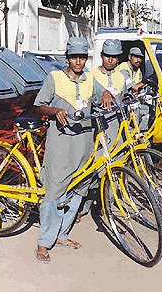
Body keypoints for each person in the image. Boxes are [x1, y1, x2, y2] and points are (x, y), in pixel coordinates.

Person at [33, 37, 114, 264]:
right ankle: (43, 242)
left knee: (79, 189)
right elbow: (39, 105)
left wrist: (106, 93)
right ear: (67, 58)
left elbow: (101, 95)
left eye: (82, 57)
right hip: (61, 144)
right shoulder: (55, 78)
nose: (78, 62)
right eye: (74, 57)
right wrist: (55, 110)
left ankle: (61, 234)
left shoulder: (89, 79)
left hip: (84, 144)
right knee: (54, 191)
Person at [77, 39, 127, 220]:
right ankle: (82, 205)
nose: (110, 60)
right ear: (101, 56)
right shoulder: (90, 75)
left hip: (116, 128)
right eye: (107, 56)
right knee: (93, 168)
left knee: (116, 166)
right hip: (97, 128)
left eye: (114, 57)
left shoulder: (121, 77)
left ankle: (108, 206)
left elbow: (124, 99)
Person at [115, 47, 150, 131]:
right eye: (136, 57)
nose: (138, 60)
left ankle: (140, 135)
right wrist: (146, 81)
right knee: (136, 114)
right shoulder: (123, 68)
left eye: (140, 58)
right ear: (129, 57)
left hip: (131, 100)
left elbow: (139, 88)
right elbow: (134, 87)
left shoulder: (137, 70)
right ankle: (133, 136)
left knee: (149, 111)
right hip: (120, 101)